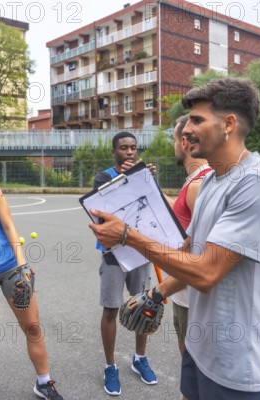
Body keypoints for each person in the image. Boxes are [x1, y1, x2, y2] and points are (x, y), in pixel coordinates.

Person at [90, 78, 260, 400]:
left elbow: (205, 272)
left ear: (229, 124)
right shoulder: (213, 180)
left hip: (237, 361)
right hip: (200, 348)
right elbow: (191, 251)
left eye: (197, 120)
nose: (186, 131)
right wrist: (158, 293)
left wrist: (129, 235)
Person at [0, 150, 63, 400]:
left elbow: (8, 225)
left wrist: (22, 266)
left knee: (32, 327)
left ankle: (44, 382)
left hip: (9, 266)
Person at [93, 131, 157, 396]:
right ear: (114, 152)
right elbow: (105, 213)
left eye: (133, 148)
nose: (130, 152)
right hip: (113, 253)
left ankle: (139, 358)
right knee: (111, 309)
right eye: (124, 148)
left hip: (139, 249)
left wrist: (148, 181)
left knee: (143, 306)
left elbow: (153, 209)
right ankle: (110, 366)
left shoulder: (143, 174)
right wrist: (132, 178)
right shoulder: (103, 177)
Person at [165, 114, 212, 359]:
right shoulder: (199, 178)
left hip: (190, 296)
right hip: (187, 292)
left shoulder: (198, 184)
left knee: (191, 362)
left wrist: (159, 291)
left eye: (174, 139)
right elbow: (184, 215)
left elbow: (199, 246)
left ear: (184, 142)